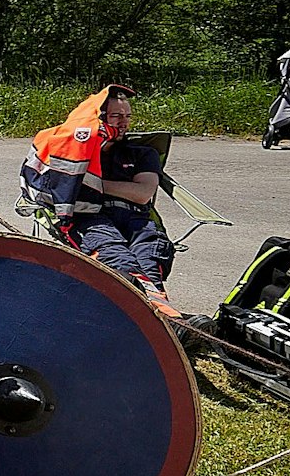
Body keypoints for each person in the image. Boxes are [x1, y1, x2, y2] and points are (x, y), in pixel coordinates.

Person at [21, 84, 179, 314]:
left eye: (128, 116)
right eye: (116, 116)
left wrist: (90, 185)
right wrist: (114, 186)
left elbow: (142, 194)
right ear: (97, 118)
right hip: (90, 218)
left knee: (151, 257)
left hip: (137, 219)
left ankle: (161, 322)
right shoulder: (72, 150)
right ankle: (171, 322)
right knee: (117, 260)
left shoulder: (142, 152)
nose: (124, 122)